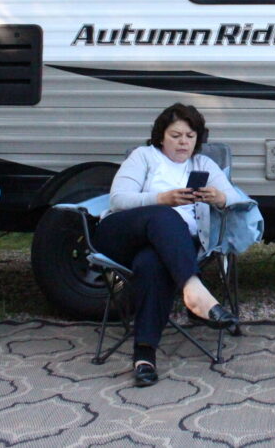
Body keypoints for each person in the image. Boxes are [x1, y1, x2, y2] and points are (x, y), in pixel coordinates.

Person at [94, 103, 243, 386]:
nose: (183, 142)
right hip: (122, 234)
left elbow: (235, 199)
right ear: (161, 136)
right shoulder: (144, 157)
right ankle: (194, 289)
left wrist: (218, 197)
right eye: (176, 135)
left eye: (190, 136)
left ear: (198, 139)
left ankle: (144, 357)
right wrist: (161, 199)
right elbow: (118, 199)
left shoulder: (203, 165)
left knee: (152, 264)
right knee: (165, 215)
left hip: (169, 248)